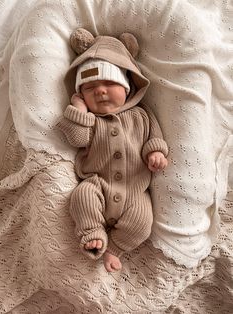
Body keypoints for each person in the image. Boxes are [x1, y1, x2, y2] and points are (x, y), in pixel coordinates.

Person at [57, 28, 168, 272]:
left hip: (134, 191)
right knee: (81, 197)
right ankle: (93, 233)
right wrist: (79, 110)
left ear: (127, 87)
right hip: (98, 184)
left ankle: (113, 249)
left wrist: (155, 153)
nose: (100, 90)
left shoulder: (140, 115)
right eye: (89, 87)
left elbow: (154, 136)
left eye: (109, 83)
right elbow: (76, 138)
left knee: (142, 223)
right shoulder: (91, 121)